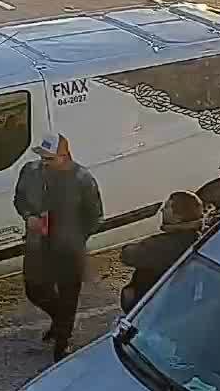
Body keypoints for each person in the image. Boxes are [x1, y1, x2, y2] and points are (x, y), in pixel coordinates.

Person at [13, 133, 103, 361]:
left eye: (49, 158)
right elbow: (19, 199)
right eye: (42, 157)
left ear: (65, 156)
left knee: (68, 295)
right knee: (34, 289)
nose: (44, 162)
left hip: (68, 249)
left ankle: (63, 340)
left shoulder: (83, 179)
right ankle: (61, 320)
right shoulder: (30, 172)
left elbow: (94, 216)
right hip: (37, 244)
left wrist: (75, 237)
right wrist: (28, 216)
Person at [119, 190, 205, 311]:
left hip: (152, 304)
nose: (162, 210)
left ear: (178, 216)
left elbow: (127, 255)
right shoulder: (198, 237)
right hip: (180, 297)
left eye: (167, 207)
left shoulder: (164, 245)